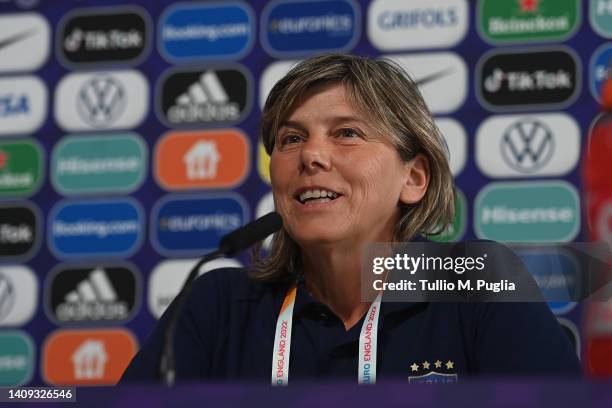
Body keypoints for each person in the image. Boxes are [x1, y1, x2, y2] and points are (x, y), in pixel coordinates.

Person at [121, 53, 580, 384]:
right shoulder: (216, 306)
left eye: (347, 133)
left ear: (414, 178)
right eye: (291, 138)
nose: (311, 155)